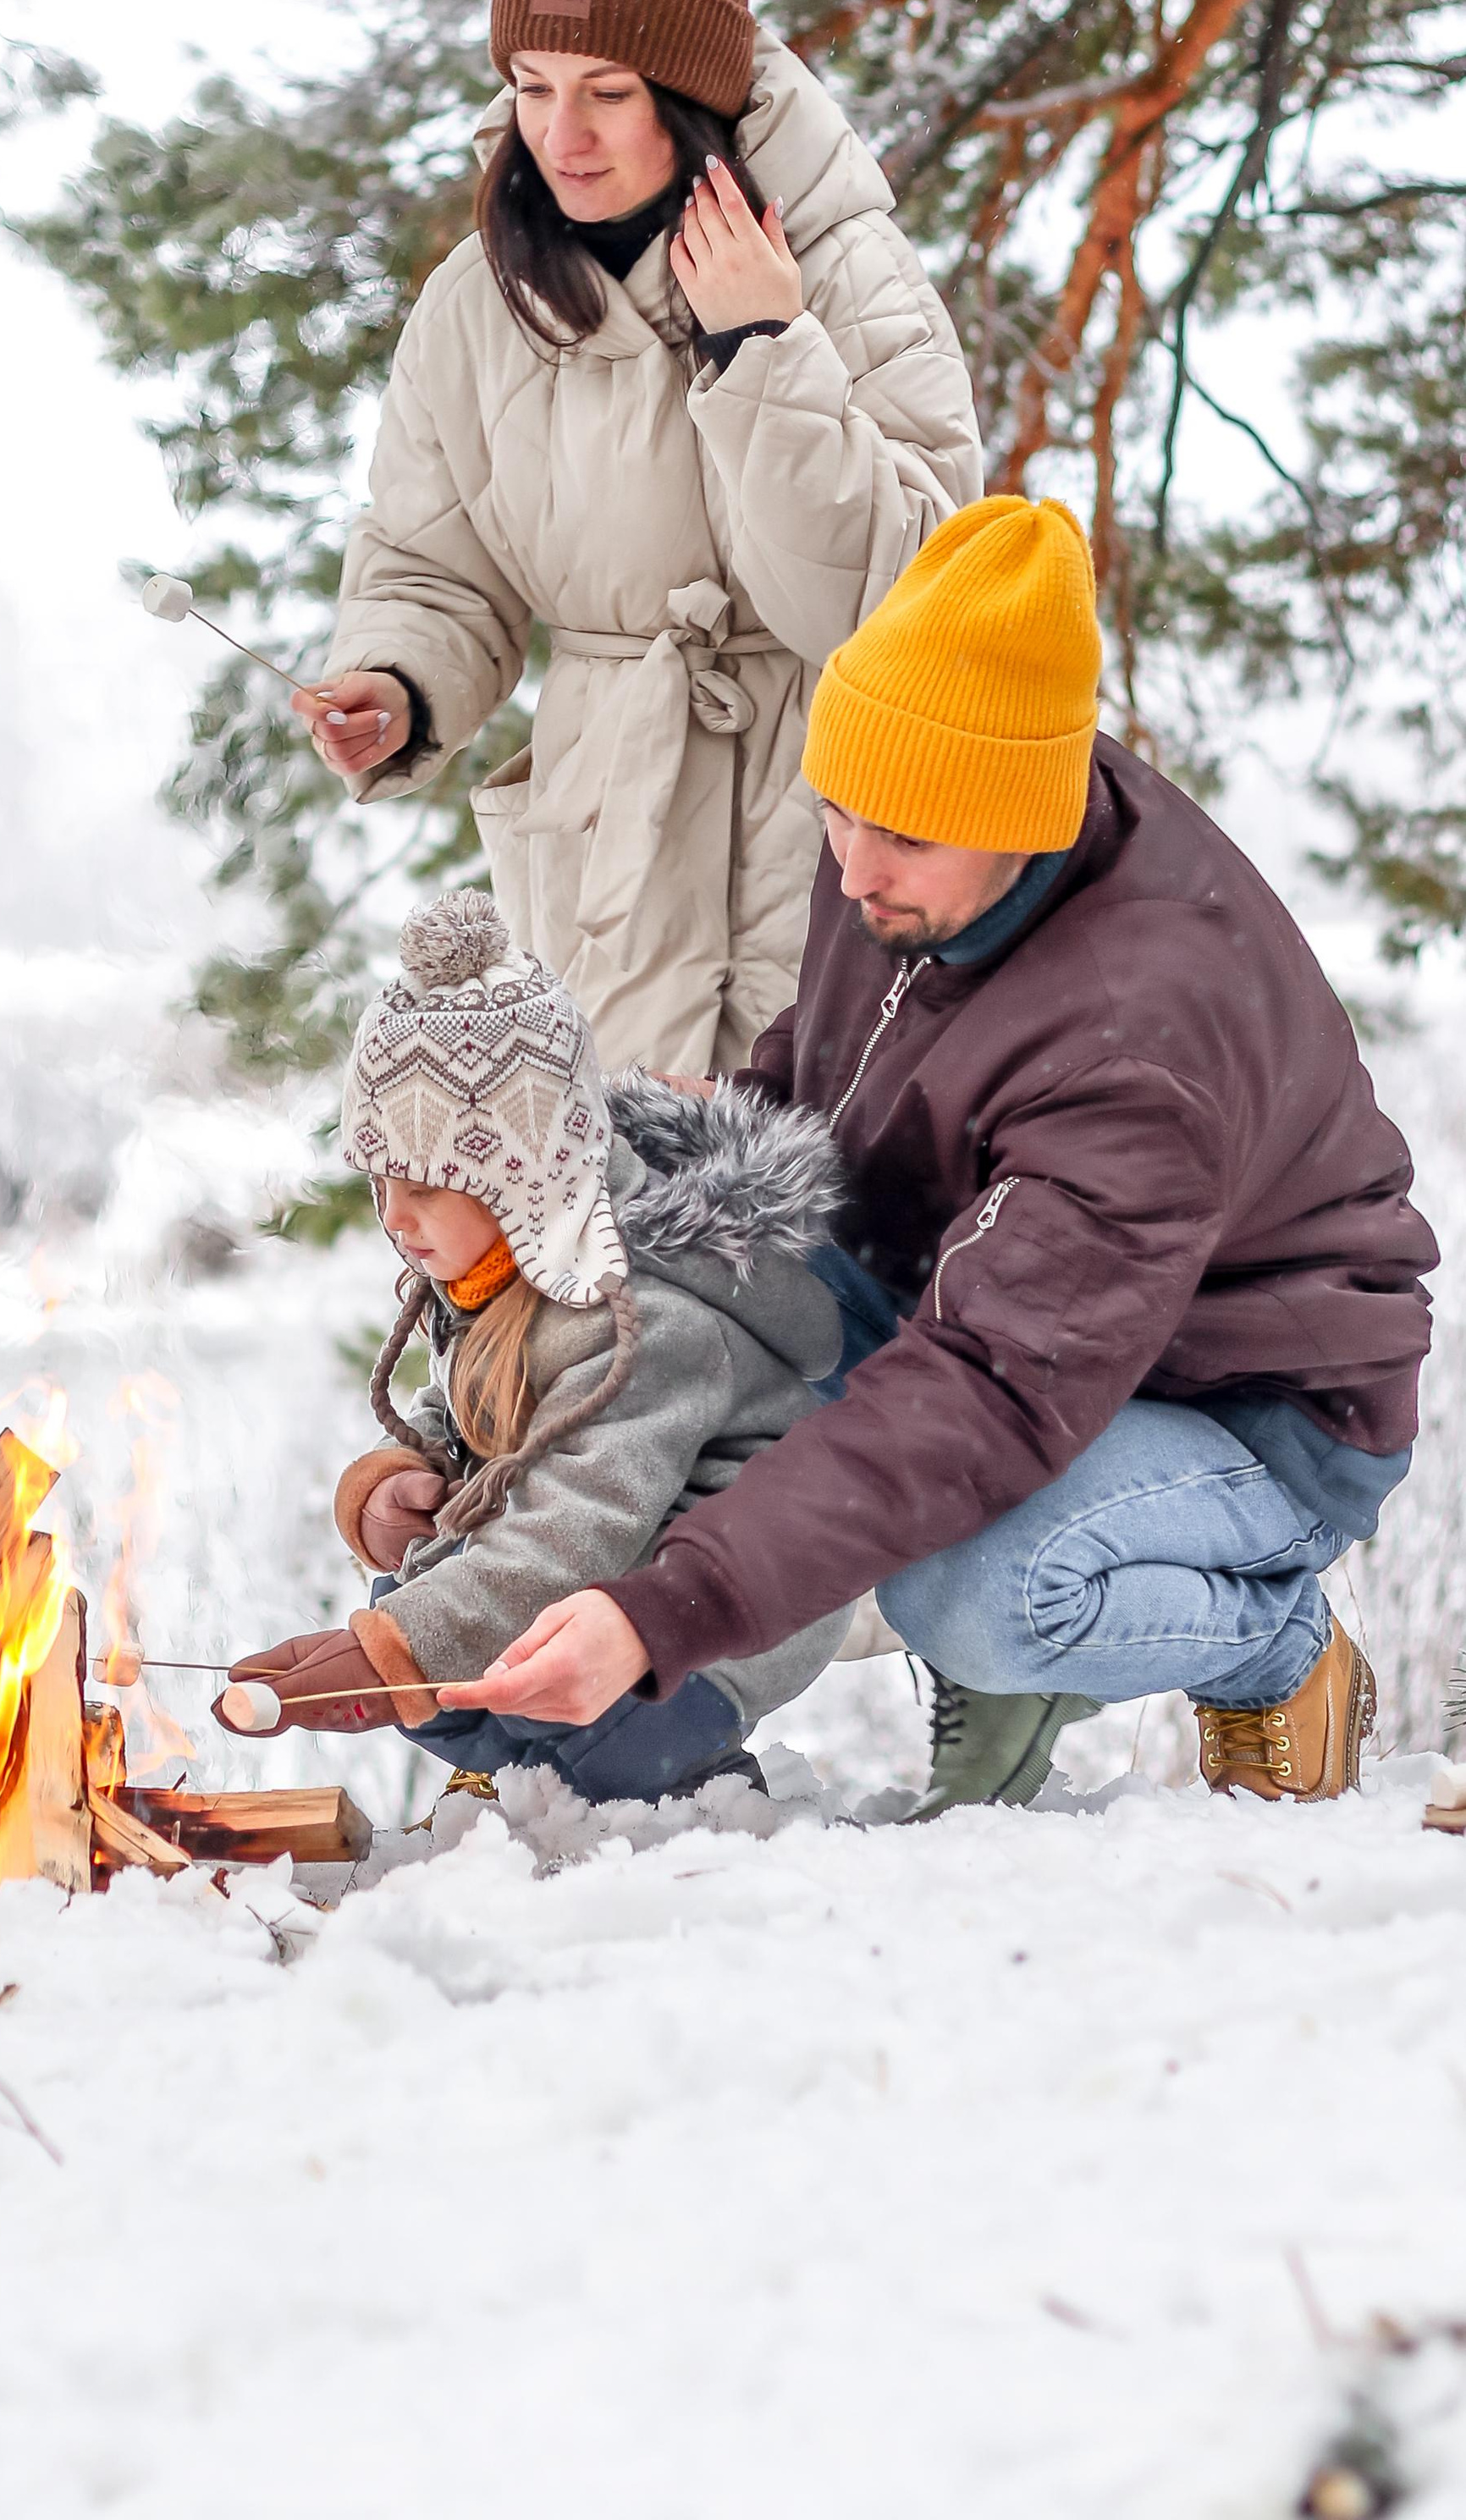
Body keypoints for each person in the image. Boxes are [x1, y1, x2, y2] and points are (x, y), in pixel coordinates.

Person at [434, 497, 1438, 1811]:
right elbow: (845, 1066)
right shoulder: (917, 831)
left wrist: (675, 1608)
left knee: (972, 1587)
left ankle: (1274, 1647)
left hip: (1248, 1407)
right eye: (837, 814)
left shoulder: (1141, 1038)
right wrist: (697, 1143)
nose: (851, 871)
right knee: (659, 1257)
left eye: (896, 837)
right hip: (994, 1285)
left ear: (1021, 815)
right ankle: (552, 1713)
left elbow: (990, 1386)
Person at [293, 0, 982, 1079]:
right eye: (532, 86)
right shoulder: (476, 303)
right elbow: (434, 562)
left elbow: (912, 603)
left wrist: (765, 346)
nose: (563, 134)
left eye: (607, 92)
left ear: (692, 98)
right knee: (604, 1240)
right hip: (600, 852)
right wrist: (395, 685)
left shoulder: (844, 273)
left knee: (799, 1243)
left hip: (819, 841)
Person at [212, 885, 855, 1800]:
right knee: (427, 1640)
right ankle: (532, 1793)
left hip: (709, 1602)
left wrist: (389, 1657)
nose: (395, 1217)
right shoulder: (497, 1272)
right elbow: (477, 1405)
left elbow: (575, 1531)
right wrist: (405, 1476)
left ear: (525, 1175)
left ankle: (694, 1793)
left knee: (546, 1691)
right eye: (381, 1181)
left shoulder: (649, 1324)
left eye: (429, 1185)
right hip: (603, 1562)